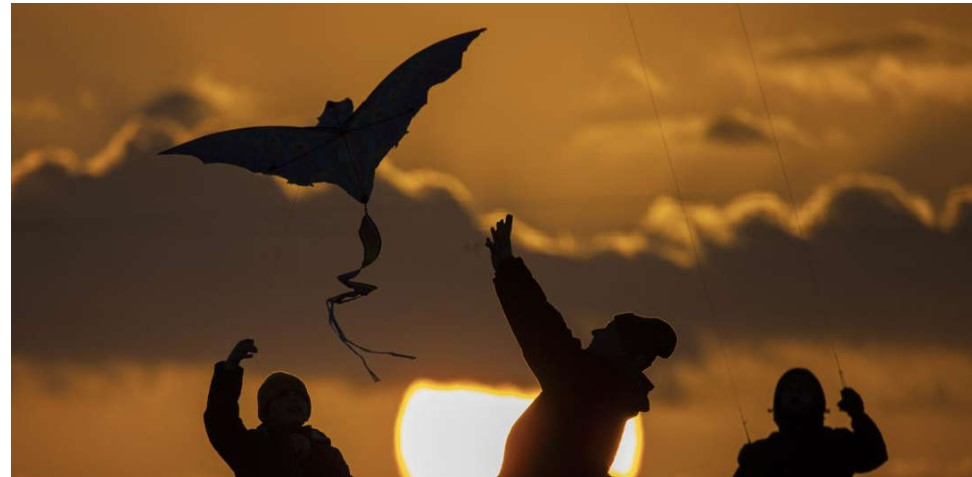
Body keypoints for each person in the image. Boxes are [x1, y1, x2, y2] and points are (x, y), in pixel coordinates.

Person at [485, 214, 677, 477]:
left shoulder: (582, 385)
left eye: (608, 332)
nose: (596, 332)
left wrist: (508, 267)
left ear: (623, 352)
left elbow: (542, 328)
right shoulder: (605, 399)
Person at [204, 338, 353, 477]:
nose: (293, 398)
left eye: (299, 395)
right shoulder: (254, 448)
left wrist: (313, 454)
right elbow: (220, 421)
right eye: (283, 395)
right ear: (266, 409)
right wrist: (229, 370)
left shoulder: (326, 451)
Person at [733, 368, 888, 477]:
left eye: (802, 391)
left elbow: (875, 454)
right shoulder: (760, 455)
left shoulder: (837, 445)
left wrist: (858, 415)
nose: (795, 397)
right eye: (789, 392)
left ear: (816, 400)